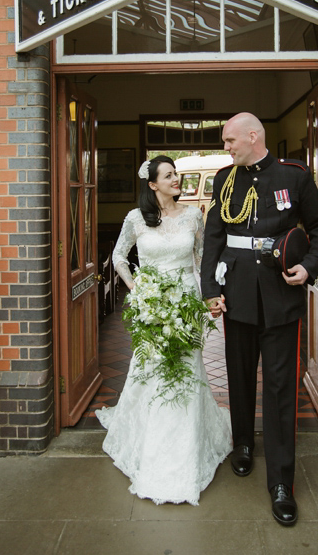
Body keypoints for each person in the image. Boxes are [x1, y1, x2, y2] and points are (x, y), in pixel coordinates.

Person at [201, 113, 318, 527]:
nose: (226, 147)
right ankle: (243, 444)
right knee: (239, 376)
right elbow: (214, 237)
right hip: (237, 293)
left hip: (280, 297)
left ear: (253, 136)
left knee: (279, 391)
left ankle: (281, 483)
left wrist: (310, 267)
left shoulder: (294, 176)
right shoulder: (225, 179)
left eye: (229, 140)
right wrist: (210, 289)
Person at [96, 155, 232, 505]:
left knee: (187, 370)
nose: (177, 179)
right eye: (169, 175)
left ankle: (188, 448)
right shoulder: (135, 219)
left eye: (176, 174)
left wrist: (208, 298)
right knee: (151, 369)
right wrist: (139, 289)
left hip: (186, 305)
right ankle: (150, 443)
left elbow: (202, 259)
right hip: (153, 306)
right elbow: (118, 258)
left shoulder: (192, 216)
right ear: (153, 184)